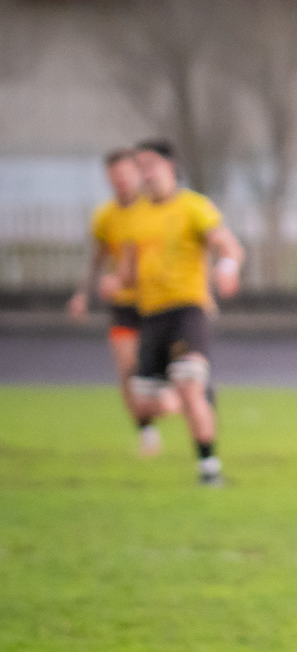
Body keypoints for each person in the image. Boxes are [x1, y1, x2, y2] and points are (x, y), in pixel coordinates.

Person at [121, 140, 245, 486]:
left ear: (169, 166)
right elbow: (127, 273)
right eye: (139, 166)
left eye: (150, 165)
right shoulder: (137, 215)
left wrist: (228, 267)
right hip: (152, 315)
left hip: (188, 309)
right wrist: (113, 282)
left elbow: (227, 244)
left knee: (187, 384)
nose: (144, 173)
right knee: (144, 406)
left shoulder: (193, 206)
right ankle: (193, 390)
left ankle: (209, 469)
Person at [67, 147, 177, 453]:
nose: (121, 182)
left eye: (126, 175)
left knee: (168, 375)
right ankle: (147, 433)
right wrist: (81, 294)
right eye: (114, 178)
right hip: (124, 305)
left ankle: (182, 400)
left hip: (159, 303)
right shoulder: (105, 216)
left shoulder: (155, 208)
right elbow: (97, 259)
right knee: (126, 368)